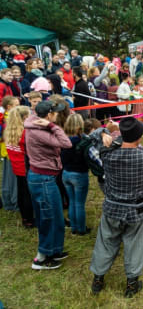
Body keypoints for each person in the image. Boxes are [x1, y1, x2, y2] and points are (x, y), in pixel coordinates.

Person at [90, 117, 143, 297]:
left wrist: (101, 132)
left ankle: (98, 280)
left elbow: (90, 142)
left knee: (106, 242)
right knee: (134, 246)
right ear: (140, 136)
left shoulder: (107, 153)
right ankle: (131, 284)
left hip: (112, 207)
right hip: (135, 209)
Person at [24, 100, 72, 269]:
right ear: (49, 115)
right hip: (42, 179)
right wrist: (53, 127)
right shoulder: (39, 131)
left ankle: (55, 250)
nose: (58, 115)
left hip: (46, 178)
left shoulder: (37, 127)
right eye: (56, 112)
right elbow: (66, 143)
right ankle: (42, 257)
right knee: (47, 218)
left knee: (56, 216)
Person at [4, 105, 34, 227]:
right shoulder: (24, 133)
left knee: (22, 192)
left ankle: (25, 218)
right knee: (27, 194)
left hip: (16, 166)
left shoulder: (9, 130)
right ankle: (30, 219)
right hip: (26, 166)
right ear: (25, 117)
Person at [61, 114, 91, 235]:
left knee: (72, 201)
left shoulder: (63, 139)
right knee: (79, 203)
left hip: (66, 173)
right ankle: (81, 229)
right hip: (79, 174)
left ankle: (74, 227)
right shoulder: (83, 140)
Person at [1, 96, 20, 211]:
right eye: (16, 105)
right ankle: (13, 202)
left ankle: (9, 201)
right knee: (12, 179)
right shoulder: (8, 119)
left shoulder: (6, 117)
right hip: (11, 152)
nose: (19, 107)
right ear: (9, 107)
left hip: (8, 151)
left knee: (8, 178)